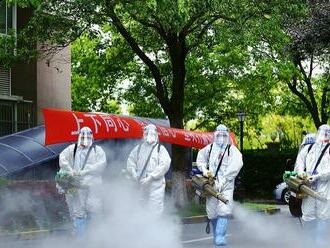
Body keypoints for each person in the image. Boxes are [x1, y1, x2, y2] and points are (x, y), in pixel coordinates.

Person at [196, 124, 243, 246]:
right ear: (215, 135)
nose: (221, 137)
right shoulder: (210, 148)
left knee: (224, 209)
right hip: (212, 185)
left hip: (226, 185)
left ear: (227, 136)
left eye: (224, 135)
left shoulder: (231, 150)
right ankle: (217, 235)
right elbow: (200, 159)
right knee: (212, 212)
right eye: (219, 135)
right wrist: (205, 170)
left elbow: (236, 165)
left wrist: (224, 180)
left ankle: (221, 236)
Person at [57, 126, 107, 236]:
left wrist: (85, 172)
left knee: (94, 208)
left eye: (88, 137)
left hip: (93, 186)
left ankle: (96, 236)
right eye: (83, 136)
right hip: (77, 186)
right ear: (79, 136)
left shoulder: (97, 150)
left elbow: (101, 165)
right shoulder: (72, 149)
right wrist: (70, 171)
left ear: (92, 137)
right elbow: (62, 159)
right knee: (78, 212)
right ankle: (81, 239)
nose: (86, 139)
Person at [295, 124, 330, 246]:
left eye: (326, 133)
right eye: (322, 133)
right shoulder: (309, 148)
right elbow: (299, 161)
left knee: (323, 218)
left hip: (324, 190)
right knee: (308, 215)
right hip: (308, 188)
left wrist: (317, 176)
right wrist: (301, 173)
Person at [126, 124, 171, 214]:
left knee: (154, 209)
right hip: (140, 183)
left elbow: (164, 164)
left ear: (156, 135)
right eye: (146, 134)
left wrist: (151, 177)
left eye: (151, 134)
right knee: (138, 208)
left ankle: (153, 227)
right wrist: (133, 173)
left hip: (155, 185)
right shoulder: (138, 148)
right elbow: (130, 161)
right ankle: (140, 227)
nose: (148, 136)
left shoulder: (160, 149)